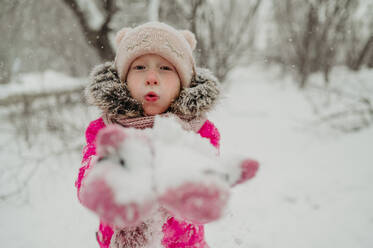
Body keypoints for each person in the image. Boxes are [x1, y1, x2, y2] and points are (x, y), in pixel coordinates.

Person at [75, 22, 258, 248]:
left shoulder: (199, 130)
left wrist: (193, 189)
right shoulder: (106, 129)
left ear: (183, 82)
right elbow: (87, 185)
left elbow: (199, 196)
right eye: (139, 67)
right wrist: (112, 181)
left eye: (165, 68)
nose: (151, 77)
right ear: (123, 80)